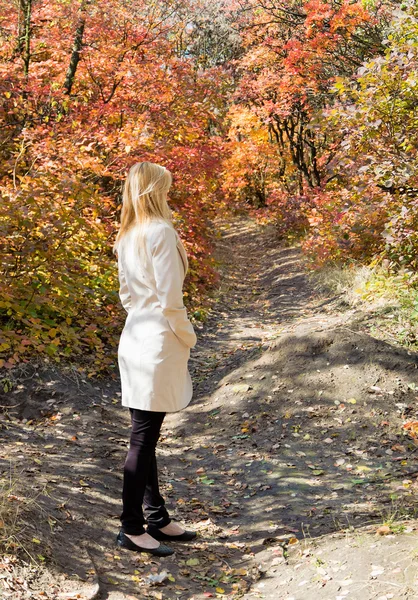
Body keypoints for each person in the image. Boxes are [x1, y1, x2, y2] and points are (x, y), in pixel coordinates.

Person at [112, 161, 198, 557]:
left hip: (135, 337)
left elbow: (128, 296)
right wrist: (186, 334)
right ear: (153, 191)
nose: (168, 192)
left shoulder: (128, 234)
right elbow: (170, 297)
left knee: (145, 437)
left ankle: (156, 515)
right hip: (158, 342)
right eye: (165, 186)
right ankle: (130, 527)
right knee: (143, 439)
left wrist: (144, 321)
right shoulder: (159, 231)